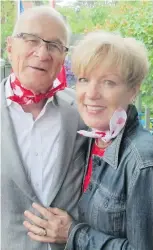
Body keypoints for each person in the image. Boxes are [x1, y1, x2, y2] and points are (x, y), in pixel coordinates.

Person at [23, 31, 153, 250]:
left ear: (133, 91)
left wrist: (73, 234)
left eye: (108, 82)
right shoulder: (88, 139)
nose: (91, 94)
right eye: (84, 80)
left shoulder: (143, 162)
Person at [1, 6, 88, 250]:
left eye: (54, 45)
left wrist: (75, 232)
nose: (42, 53)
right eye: (32, 40)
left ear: (63, 57)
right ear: (10, 47)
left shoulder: (83, 110)